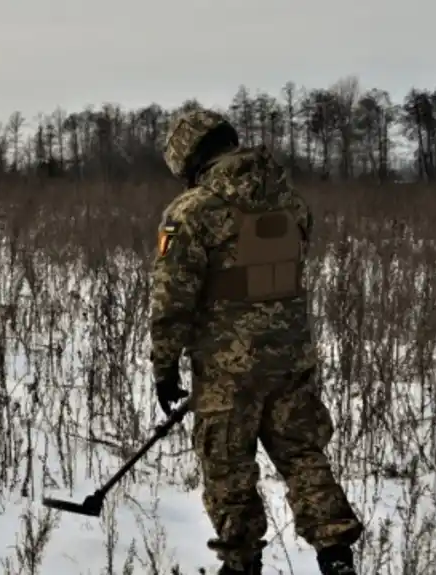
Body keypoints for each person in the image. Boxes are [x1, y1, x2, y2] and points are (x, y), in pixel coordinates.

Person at [149, 109, 363, 575]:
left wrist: (164, 367)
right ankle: (336, 553)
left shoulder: (192, 211)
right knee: (302, 452)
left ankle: (241, 562)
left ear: (189, 156)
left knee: (227, 464)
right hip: (290, 357)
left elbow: (171, 300)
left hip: (229, 368)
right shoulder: (289, 200)